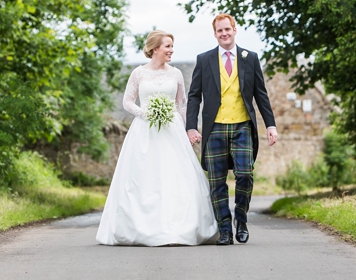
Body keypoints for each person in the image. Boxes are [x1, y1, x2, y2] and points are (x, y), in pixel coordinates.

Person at [96, 30, 218, 246]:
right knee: (144, 177)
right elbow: (127, 102)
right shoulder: (139, 73)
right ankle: (143, 227)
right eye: (168, 46)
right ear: (154, 49)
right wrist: (147, 113)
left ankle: (180, 227)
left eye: (172, 46)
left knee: (176, 177)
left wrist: (188, 129)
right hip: (145, 130)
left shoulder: (176, 74)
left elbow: (181, 104)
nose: (171, 50)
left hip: (172, 131)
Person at [186, 14, 277, 245]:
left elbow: (261, 94)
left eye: (227, 29)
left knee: (245, 173)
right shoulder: (204, 59)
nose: (224, 34)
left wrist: (270, 124)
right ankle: (225, 229)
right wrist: (190, 127)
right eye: (219, 31)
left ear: (235, 30)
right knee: (216, 181)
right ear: (215, 34)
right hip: (214, 127)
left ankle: (242, 219)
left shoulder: (250, 58)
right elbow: (194, 95)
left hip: (242, 126)